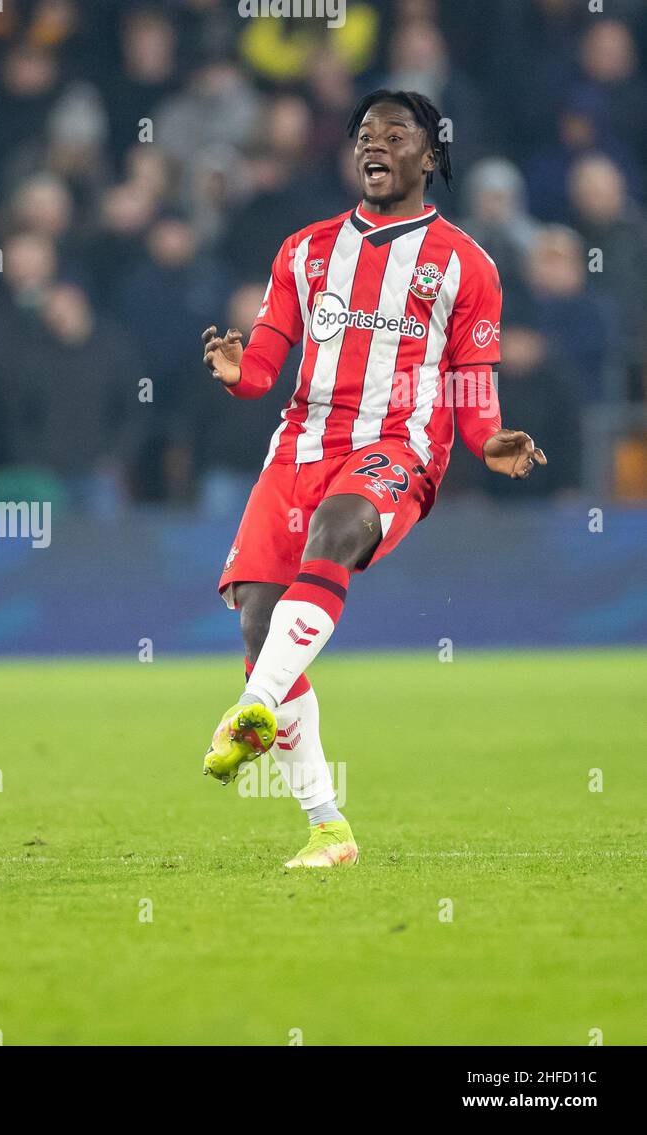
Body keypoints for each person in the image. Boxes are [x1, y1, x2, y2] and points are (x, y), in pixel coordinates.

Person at [199, 90, 547, 869]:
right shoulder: (304, 251)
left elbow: (474, 384)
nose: (375, 144)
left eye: (397, 133)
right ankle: (329, 828)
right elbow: (264, 366)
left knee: (339, 529)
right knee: (259, 621)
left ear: (431, 157)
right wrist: (236, 372)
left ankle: (251, 712)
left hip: (399, 444)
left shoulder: (465, 264)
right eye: (365, 134)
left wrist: (490, 440)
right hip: (299, 447)